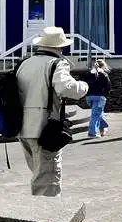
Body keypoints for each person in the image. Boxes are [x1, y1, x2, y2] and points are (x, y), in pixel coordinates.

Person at [16, 27, 89, 196]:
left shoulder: (24, 63)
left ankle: (38, 216)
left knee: (38, 173)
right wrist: (84, 86)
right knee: (47, 181)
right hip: (44, 128)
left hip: (23, 127)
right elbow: (67, 88)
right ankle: (47, 219)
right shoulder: (56, 63)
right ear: (59, 47)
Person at [84, 59, 112, 138]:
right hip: (99, 96)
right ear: (103, 66)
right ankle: (92, 133)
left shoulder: (88, 74)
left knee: (97, 113)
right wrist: (104, 94)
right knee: (96, 115)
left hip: (89, 96)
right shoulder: (103, 74)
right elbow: (108, 86)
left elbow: (84, 84)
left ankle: (103, 129)